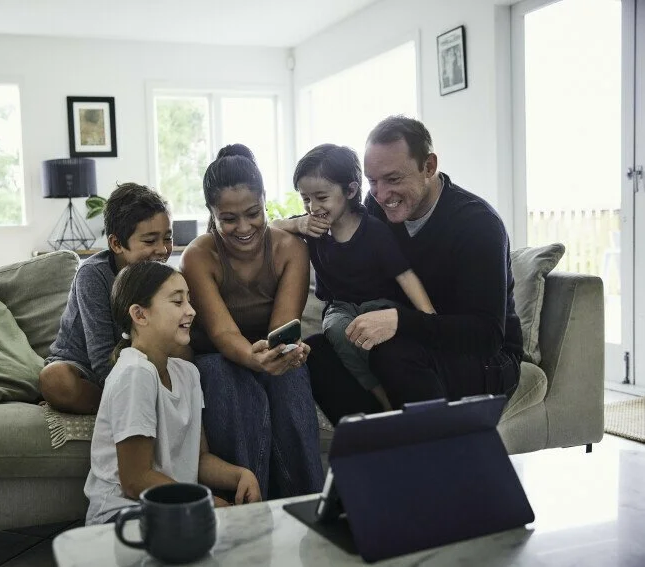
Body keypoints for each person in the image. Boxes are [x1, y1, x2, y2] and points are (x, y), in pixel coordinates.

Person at [310, 116, 523, 421]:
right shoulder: (374, 209)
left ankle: (428, 457)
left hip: (487, 359)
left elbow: (486, 335)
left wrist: (400, 322)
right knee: (316, 351)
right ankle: (380, 442)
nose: (381, 195)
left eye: (393, 179)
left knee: (394, 354)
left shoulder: (477, 225)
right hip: (410, 342)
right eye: (373, 181)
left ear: (429, 167)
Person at [180, 144, 324, 499]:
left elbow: (283, 327)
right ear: (211, 214)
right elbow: (222, 332)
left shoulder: (291, 249)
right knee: (220, 373)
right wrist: (255, 359)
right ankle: (244, 505)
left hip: (267, 352)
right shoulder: (198, 256)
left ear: (264, 201)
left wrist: (283, 354)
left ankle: (306, 504)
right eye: (228, 219)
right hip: (218, 355)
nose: (243, 227)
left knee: (292, 375)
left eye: (253, 213)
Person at [83, 261, 261, 525]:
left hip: (174, 508)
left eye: (189, 300)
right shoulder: (135, 373)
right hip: (122, 516)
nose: (191, 311)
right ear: (140, 315)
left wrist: (240, 475)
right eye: (178, 302)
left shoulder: (187, 373)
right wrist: (207, 503)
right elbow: (135, 480)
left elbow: (197, 459)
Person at [272, 144, 436, 411]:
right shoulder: (312, 228)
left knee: (385, 343)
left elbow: (405, 276)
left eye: (321, 197)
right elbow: (270, 229)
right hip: (340, 307)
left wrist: (429, 316)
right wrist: (297, 223)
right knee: (336, 329)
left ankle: (401, 400)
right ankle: (381, 398)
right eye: (305, 199)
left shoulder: (374, 231)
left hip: (380, 304)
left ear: (350, 190)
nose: (313, 207)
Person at [40, 183, 174, 414]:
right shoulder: (93, 275)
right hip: (86, 366)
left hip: (139, 363)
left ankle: (137, 399)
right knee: (55, 379)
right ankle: (128, 404)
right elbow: (101, 356)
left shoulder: (166, 278)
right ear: (116, 244)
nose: (162, 249)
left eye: (168, 238)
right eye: (150, 241)